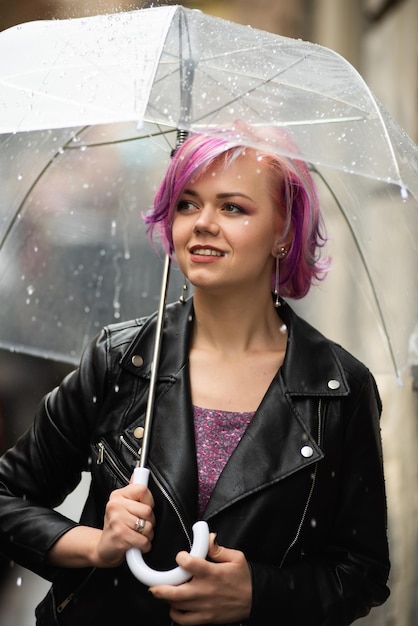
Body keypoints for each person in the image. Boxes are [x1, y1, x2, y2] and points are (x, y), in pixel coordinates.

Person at [0, 128, 390, 625]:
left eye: (233, 208)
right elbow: (8, 495)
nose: (202, 223)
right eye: (187, 204)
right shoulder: (121, 360)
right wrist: (97, 545)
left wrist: (259, 594)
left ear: (284, 232)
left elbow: (362, 571)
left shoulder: (338, 388)